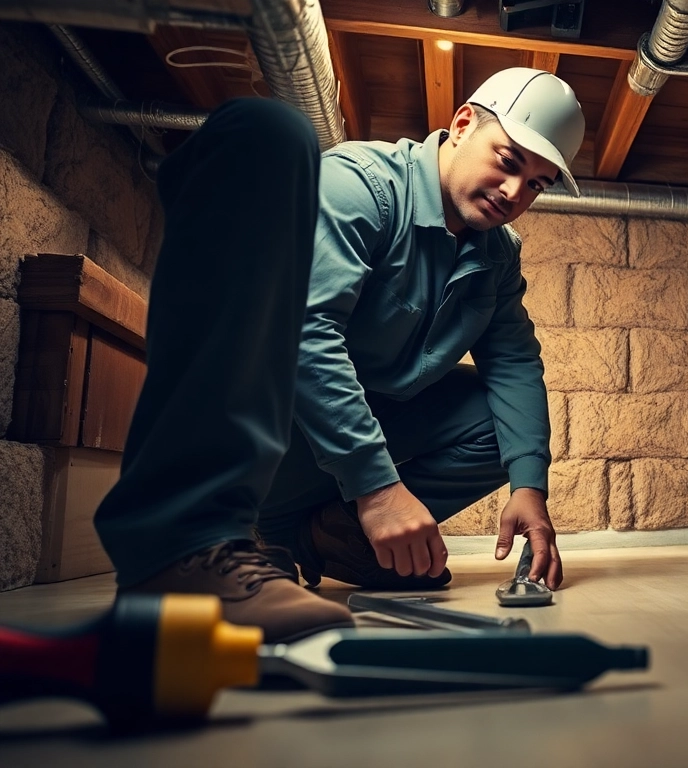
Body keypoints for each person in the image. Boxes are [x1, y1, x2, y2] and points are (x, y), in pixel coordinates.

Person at [93, 68, 584, 643]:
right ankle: (253, 527)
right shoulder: (359, 188)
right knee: (264, 132)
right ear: (462, 124)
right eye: (508, 161)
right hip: (278, 438)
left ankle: (315, 539)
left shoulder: (497, 255)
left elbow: (515, 363)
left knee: (494, 415)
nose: (514, 193)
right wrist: (377, 488)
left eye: (536, 184)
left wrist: (530, 489)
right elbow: (306, 335)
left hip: (346, 445)